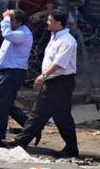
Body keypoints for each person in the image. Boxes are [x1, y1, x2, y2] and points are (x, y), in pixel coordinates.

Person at [9, 11, 79, 158]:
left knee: (62, 117)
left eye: (50, 20)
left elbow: (59, 63)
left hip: (61, 83)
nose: (47, 22)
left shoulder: (67, 41)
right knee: (38, 114)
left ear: (58, 23)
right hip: (51, 82)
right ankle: (21, 142)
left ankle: (72, 149)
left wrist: (43, 76)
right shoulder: (55, 38)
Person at [0, 10, 32, 148]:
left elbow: (6, 33)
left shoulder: (21, 34)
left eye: (11, 19)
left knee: (0, 105)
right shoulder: (17, 32)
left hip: (12, 73)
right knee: (6, 105)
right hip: (8, 73)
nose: (8, 21)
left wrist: (6, 18)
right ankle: (31, 128)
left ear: (18, 21)